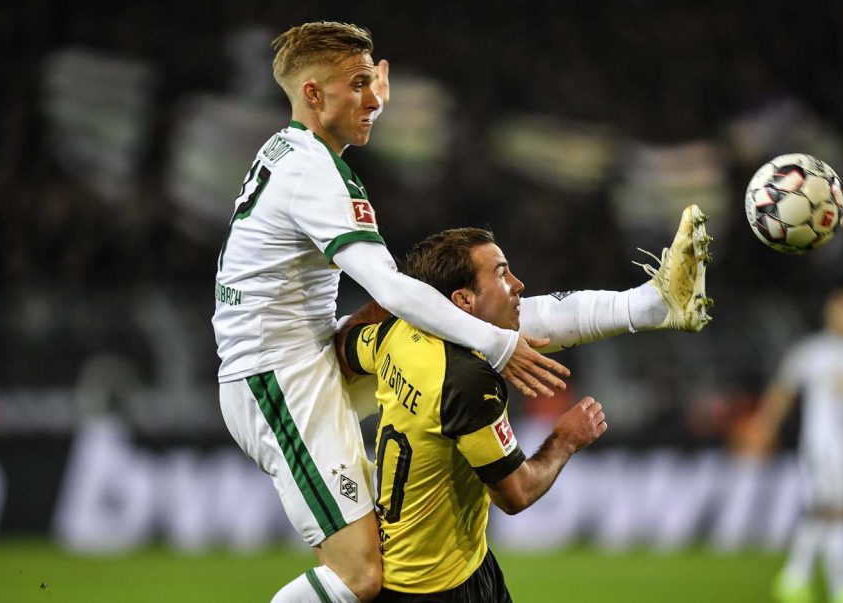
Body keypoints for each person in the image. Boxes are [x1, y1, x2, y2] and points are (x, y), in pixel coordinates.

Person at [213, 21, 712, 602]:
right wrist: (500, 349)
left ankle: (653, 305)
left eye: (375, 82)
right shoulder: (313, 174)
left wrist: (362, 93)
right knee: (360, 575)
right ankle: (648, 307)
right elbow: (393, 288)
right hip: (279, 381)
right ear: (313, 95)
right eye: (357, 85)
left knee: (484, 317)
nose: (373, 99)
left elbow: (402, 301)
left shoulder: (298, 149)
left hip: (315, 351)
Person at [337, 228, 607, 601]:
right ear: (462, 300)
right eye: (501, 273)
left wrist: (397, 298)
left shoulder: (395, 334)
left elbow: (345, 345)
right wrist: (566, 439)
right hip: (438, 586)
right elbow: (516, 493)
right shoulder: (466, 380)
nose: (518, 284)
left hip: (446, 564)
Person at [750, 288, 843, 603]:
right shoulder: (812, 351)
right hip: (820, 444)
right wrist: (765, 424)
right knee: (840, 511)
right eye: (842, 309)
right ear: (830, 313)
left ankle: (793, 578)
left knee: (820, 512)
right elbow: (783, 390)